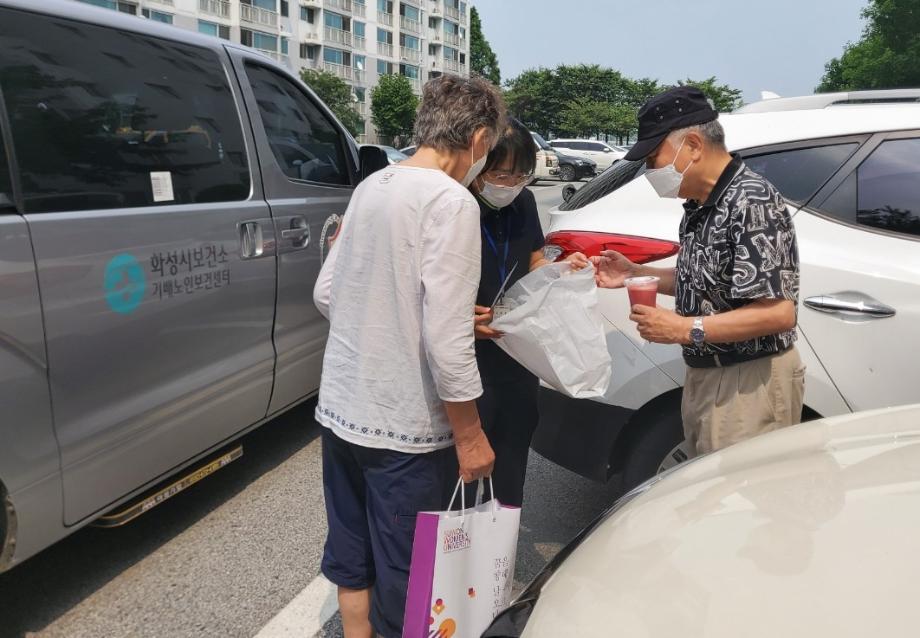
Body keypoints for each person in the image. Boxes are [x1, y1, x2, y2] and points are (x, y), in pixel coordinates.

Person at [312, 75, 505, 638]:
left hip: (342, 413)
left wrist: (388, 321)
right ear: (475, 138)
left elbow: (329, 292)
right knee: (413, 579)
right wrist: (470, 436)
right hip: (405, 431)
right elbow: (446, 340)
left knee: (353, 560)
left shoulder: (372, 185)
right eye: (487, 149)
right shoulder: (451, 201)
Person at [593, 86, 804, 456]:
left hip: (747, 382)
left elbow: (778, 312)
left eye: (654, 158)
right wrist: (634, 273)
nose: (650, 171)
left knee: (740, 503)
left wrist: (684, 328)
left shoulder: (750, 200)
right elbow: (707, 282)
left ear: (692, 145)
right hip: (708, 375)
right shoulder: (701, 204)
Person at [469, 118, 588, 508]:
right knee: (466, 457)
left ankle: (500, 539)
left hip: (516, 348)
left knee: (513, 447)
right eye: (501, 173)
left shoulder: (522, 202)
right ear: (479, 165)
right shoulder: (456, 203)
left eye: (521, 174)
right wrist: (458, 319)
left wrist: (561, 271)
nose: (510, 183)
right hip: (467, 353)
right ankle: (456, 549)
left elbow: (535, 259)